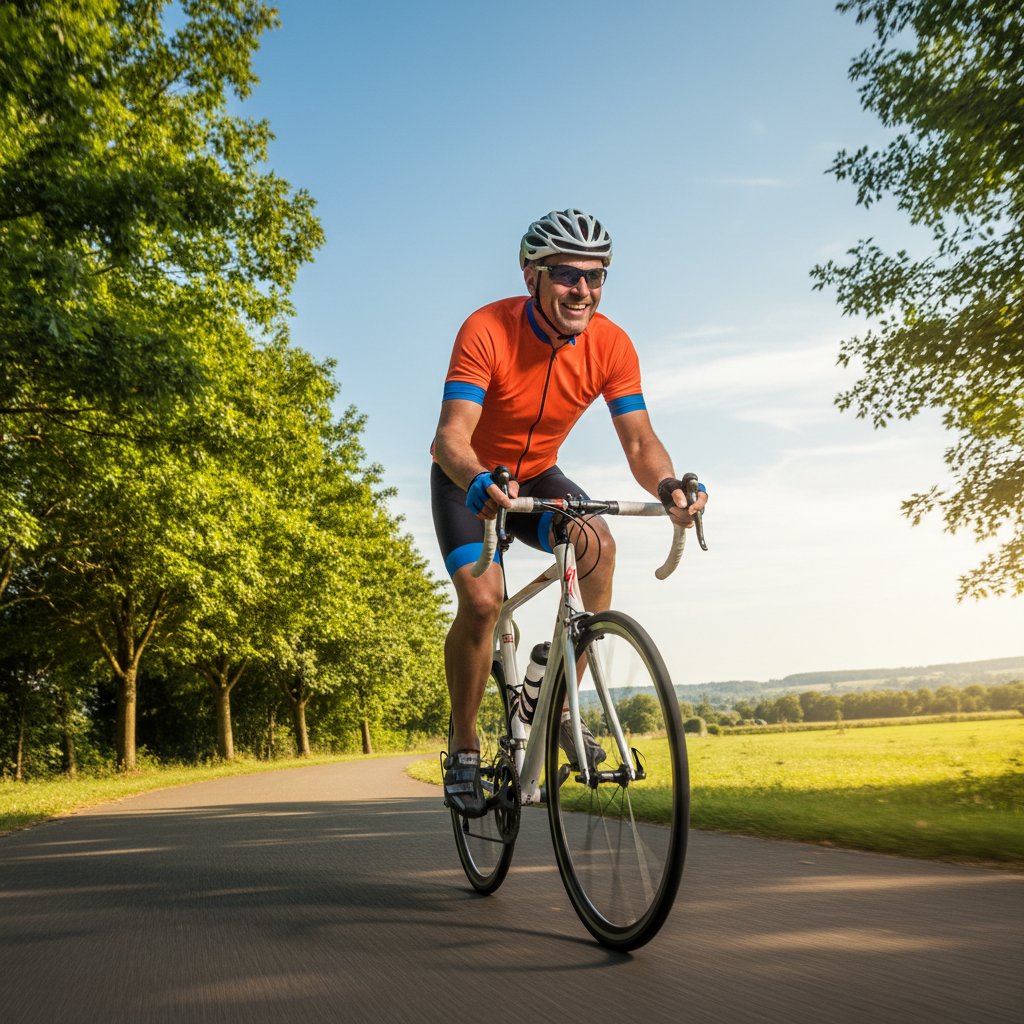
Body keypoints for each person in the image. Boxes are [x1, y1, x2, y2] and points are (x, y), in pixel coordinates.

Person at [431, 208, 707, 816]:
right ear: (532, 275)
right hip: (468, 477)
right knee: (482, 600)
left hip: (538, 474)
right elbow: (453, 435)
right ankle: (464, 742)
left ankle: (556, 704)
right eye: (565, 275)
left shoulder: (611, 343)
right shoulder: (486, 328)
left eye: (596, 276)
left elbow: (639, 441)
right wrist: (476, 478)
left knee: (598, 546)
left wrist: (667, 485)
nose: (582, 290)